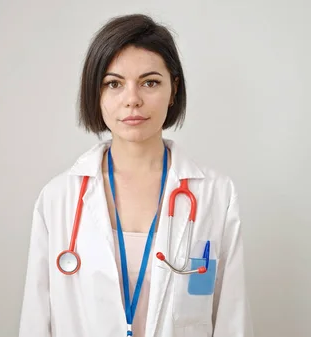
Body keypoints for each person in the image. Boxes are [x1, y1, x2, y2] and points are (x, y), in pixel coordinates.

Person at [18, 13, 253, 337]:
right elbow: (35, 321)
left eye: (150, 82)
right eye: (114, 84)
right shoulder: (59, 199)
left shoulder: (216, 195)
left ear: (173, 90)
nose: (132, 99)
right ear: (96, 94)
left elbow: (232, 320)